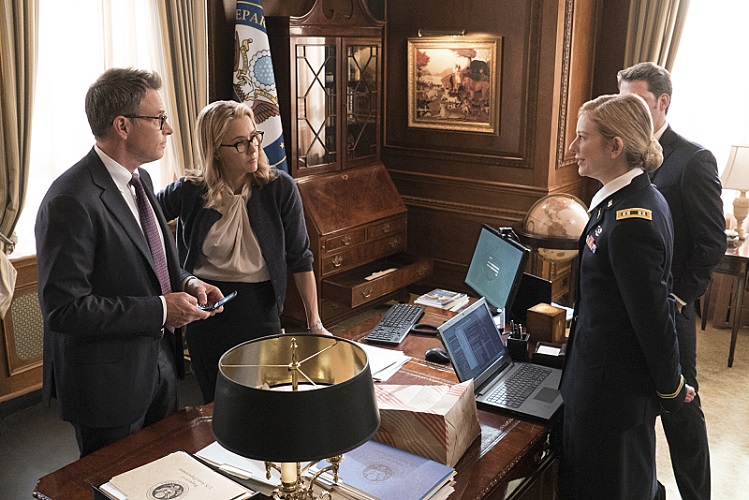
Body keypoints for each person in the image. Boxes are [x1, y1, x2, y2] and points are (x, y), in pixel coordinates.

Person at [35, 68, 225, 457]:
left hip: (159, 366)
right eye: (159, 119)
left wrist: (188, 283)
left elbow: (153, 264)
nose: (168, 129)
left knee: (164, 474)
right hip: (106, 385)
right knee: (116, 480)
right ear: (122, 125)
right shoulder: (71, 199)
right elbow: (64, 309)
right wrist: (162, 310)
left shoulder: (142, 182)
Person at [560, 93, 696, 500]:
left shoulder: (632, 218)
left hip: (610, 402)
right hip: (602, 387)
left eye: (583, 137)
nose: (573, 147)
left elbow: (653, 318)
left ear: (615, 146)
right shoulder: (627, 199)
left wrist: (672, 388)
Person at [157, 100, 330, 404]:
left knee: (263, 401)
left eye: (254, 137)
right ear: (215, 150)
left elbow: (301, 259)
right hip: (206, 312)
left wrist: (314, 323)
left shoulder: (279, 188)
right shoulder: (191, 190)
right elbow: (142, 217)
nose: (253, 148)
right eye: (240, 143)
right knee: (216, 403)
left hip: (259, 309)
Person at [618, 61, 726, 500]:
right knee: (635, 408)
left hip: (671, 309)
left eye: (637, 101)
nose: (627, 110)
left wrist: (679, 298)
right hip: (629, 307)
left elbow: (712, 243)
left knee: (681, 412)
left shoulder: (693, 159)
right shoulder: (622, 150)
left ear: (662, 102)